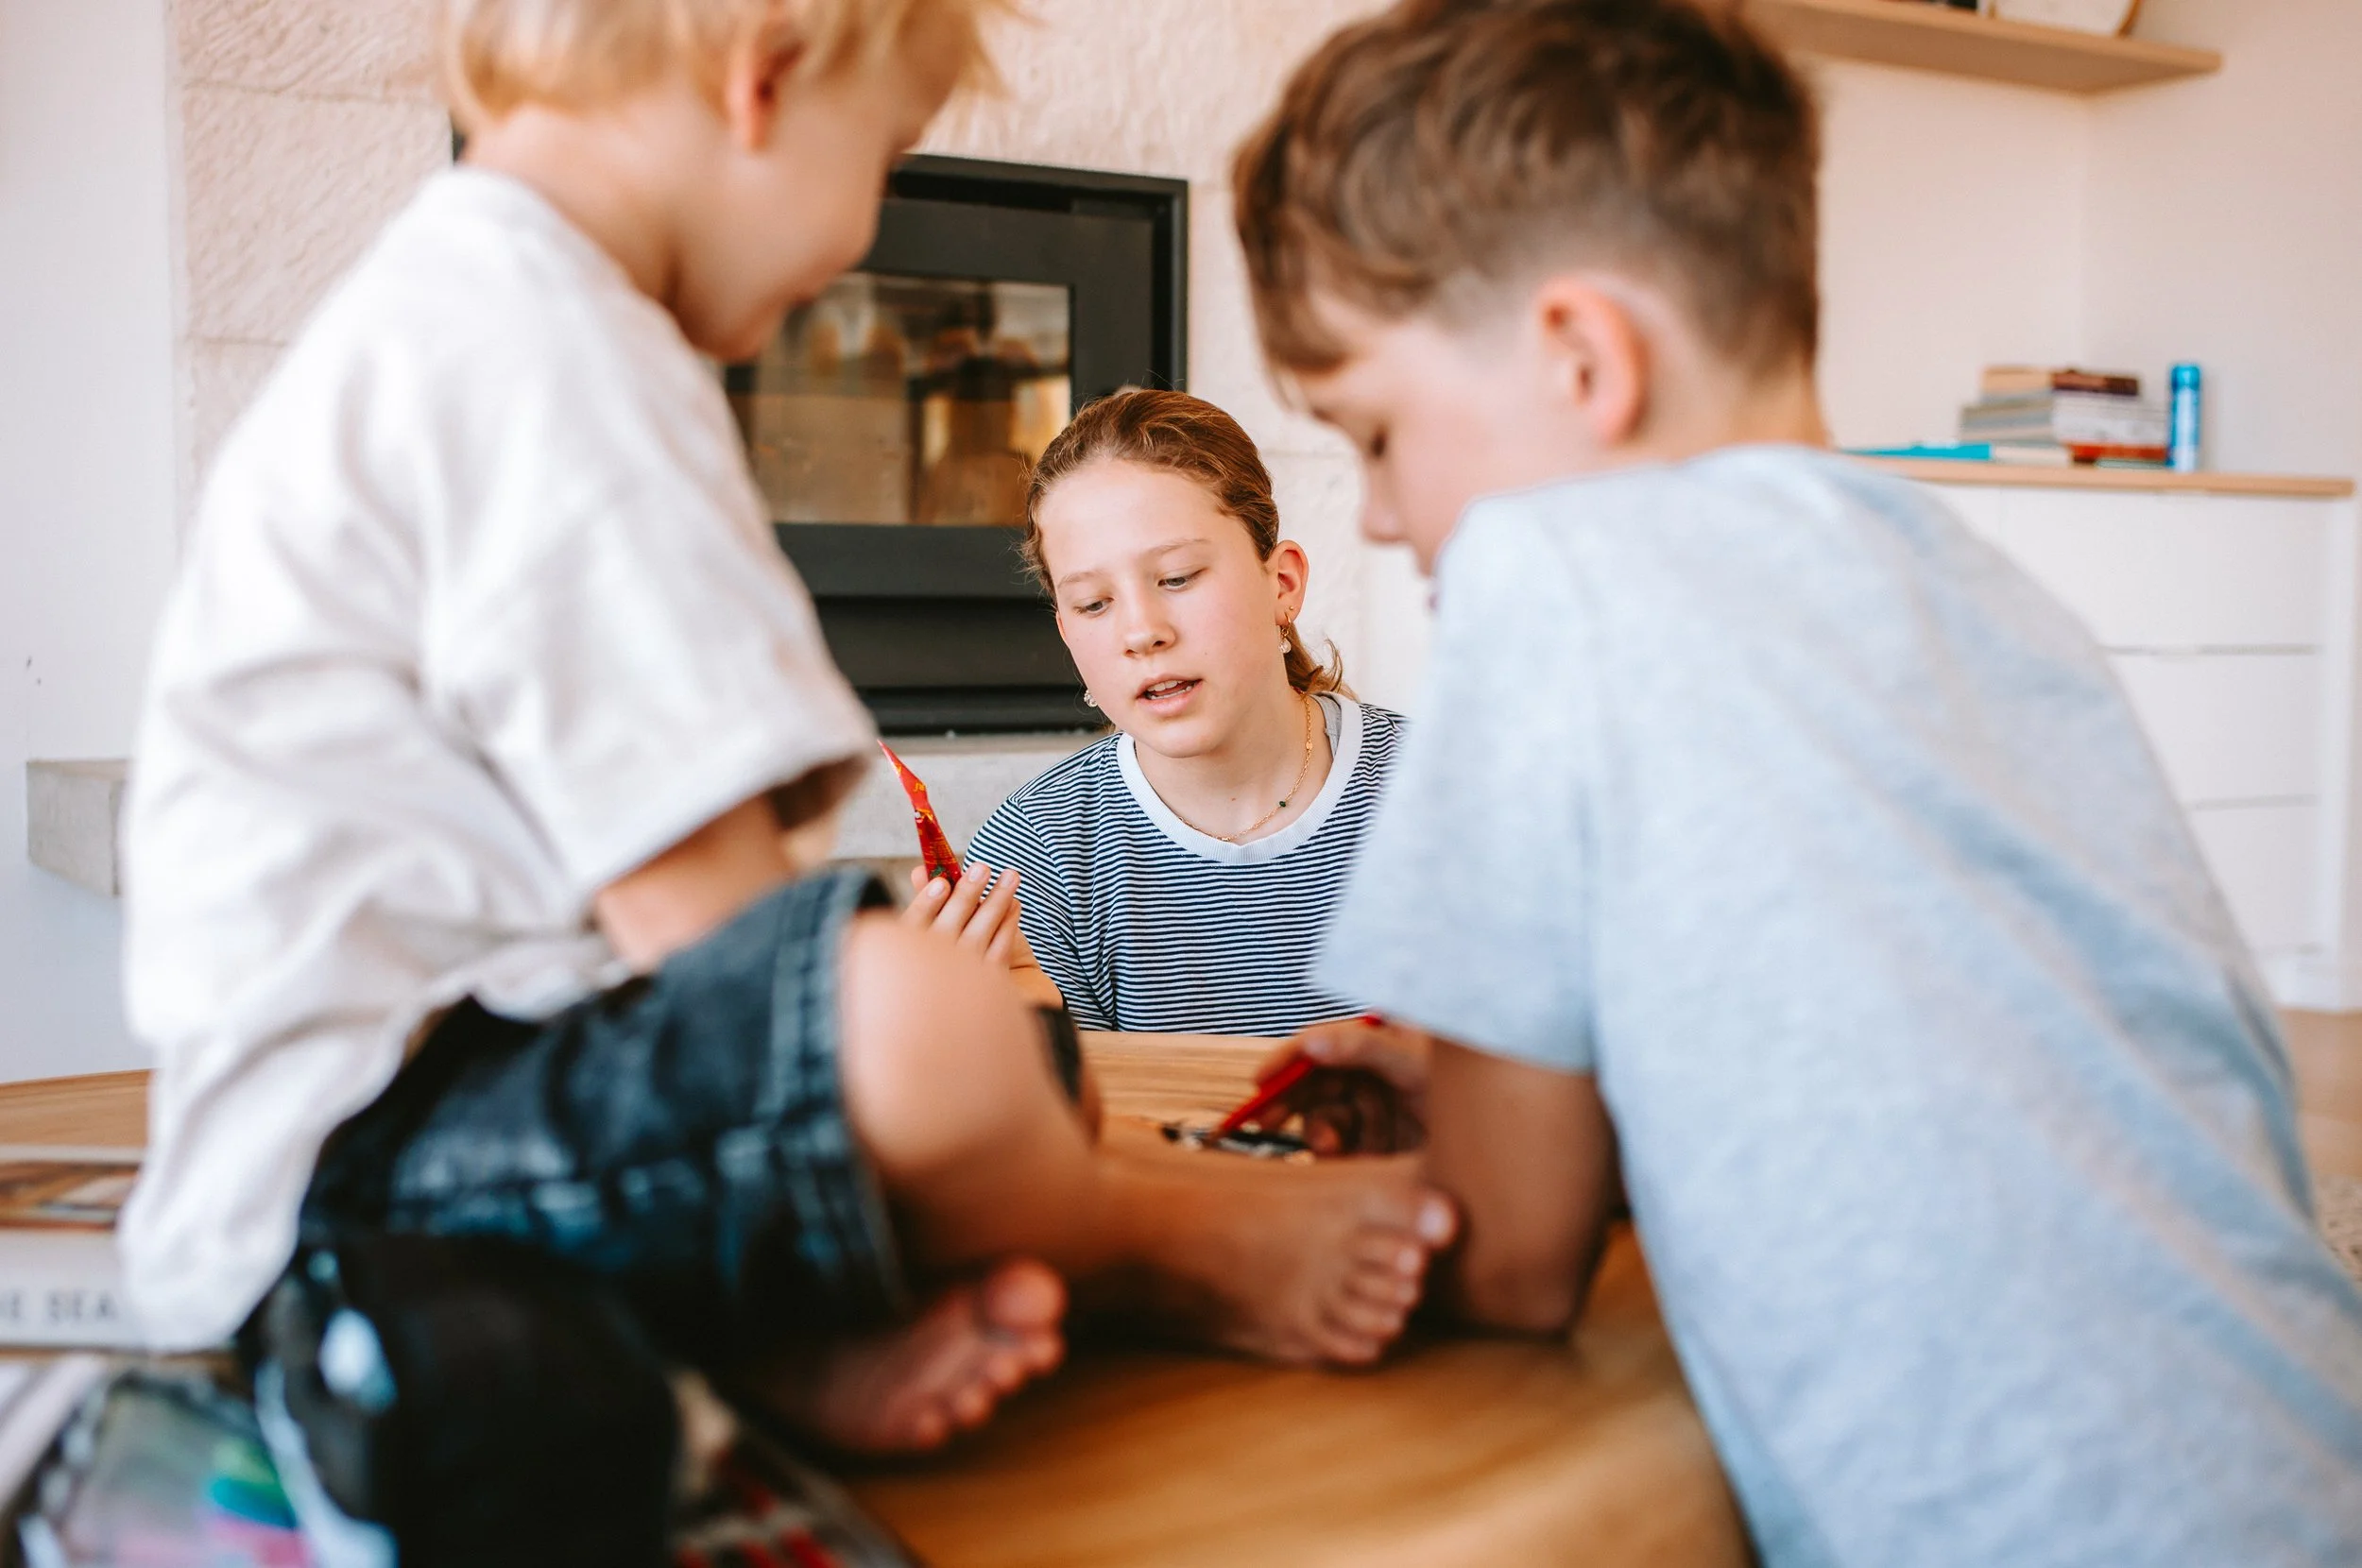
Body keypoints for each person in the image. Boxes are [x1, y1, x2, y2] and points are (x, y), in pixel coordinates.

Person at [116, 0, 1459, 1479]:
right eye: (885, 148)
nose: (863, 223)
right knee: (924, 1027)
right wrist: (966, 1094)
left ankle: (761, 1356)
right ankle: (1156, 1247)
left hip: (397, 1162)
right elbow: (728, 952)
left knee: (997, 1054)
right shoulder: (546, 347)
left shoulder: (467, 307)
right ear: (762, 84)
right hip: (365, 1193)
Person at [1229, 1, 2362, 1563]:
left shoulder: (1551, 574)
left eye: (1377, 432)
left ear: (1581, 358)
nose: (1373, 516)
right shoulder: (1995, 603)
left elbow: (1510, 1260)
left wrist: (1183, 1244)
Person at [915, 388, 1412, 1038]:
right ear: (1068, 632)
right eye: (1094, 604)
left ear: (1282, 585)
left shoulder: (1445, 793)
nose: (1141, 631)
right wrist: (1025, 1040)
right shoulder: (1036, 856)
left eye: (1176, 578)